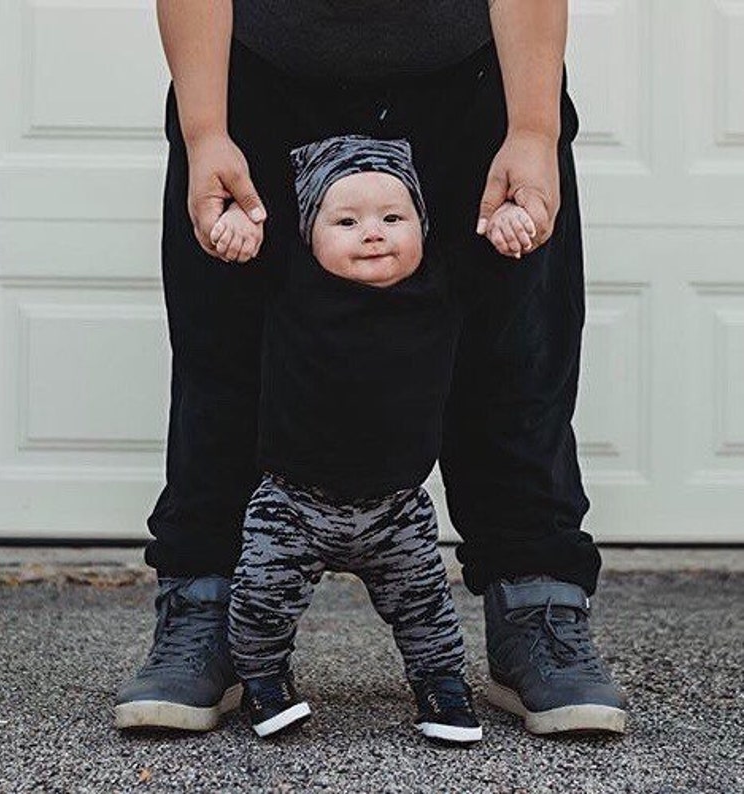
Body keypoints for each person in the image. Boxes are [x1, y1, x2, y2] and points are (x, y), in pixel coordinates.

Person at [115, 0, 628, 737]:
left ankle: (535, 603)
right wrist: (205, 131)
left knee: (515, 346)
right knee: (224, 342)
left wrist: (534, 129)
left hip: (476, 78)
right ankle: (204, 603)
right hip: (254, 77)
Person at [226, 134, 496, 744]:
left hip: (395, 507)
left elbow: (492, 248)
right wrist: (236, 235)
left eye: (393, 217)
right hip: (293, 501)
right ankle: (264, 681)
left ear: (422, 228)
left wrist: (510, 221)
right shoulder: (291, 280)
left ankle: (442, 687)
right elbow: (247, 247)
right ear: (310, 232)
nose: (373, 232)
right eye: (345, 220)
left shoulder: (439, 284)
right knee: (260, 601)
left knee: (427, 610)